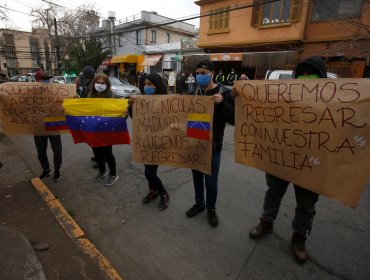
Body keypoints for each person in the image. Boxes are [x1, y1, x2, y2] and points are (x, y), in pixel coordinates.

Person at [247, 56, 328, 264]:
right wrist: (242, 93)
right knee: (273, 194)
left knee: (306, 205)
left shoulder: (333, 104)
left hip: (311, 164)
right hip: (280, 159)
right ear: (295, 78)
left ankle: (299, 238)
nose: (306, 80)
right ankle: (266, 222)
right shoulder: (283, 99)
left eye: (312, 76)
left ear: (322, 79)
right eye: (302, 75)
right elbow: (259, 108)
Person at [186, 60, 235, 227]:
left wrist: (222, 104)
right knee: (196, 177)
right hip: (195, 144)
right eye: (197, 73)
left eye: (203, 73)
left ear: (211, 74)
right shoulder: (194, 92)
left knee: (211, 182)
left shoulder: (224, 93)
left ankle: (211, 208)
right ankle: (199, 203)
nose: (199, 76)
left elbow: (234, 119)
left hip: (213, 146)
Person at [128, 73, 170, 210]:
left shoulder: (166, 101)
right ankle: (153, 190)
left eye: (150, 84)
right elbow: (136, 118)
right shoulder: (142, 100)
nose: (147, 87)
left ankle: (163, 193)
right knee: (147, 170)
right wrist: (131, 106)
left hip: (159, 142)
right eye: (145, 84)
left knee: (149, 173)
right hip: (146, 141)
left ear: (157, 86)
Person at [87, 74, 119, 186]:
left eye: (102, 83)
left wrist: (123, 114)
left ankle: (113, 174)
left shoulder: (111, 96)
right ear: (94, 83)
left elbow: (118, 112)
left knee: (107, 153)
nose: (99, 85)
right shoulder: (91, 95)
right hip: (94, 129)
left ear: (107, 85)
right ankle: (102, 171)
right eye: (98, 82)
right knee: (96, 151)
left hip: (106, 129)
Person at [34, 70, 62, 182]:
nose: (47, 81)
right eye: (44, 80)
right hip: (38, 126)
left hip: (53, 124)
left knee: (57, 150)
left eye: (48, 79)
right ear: (37, 81)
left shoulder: (56, 91)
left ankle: (57, 170)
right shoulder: (30, 94)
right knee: (41, 151)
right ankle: (46, 169)